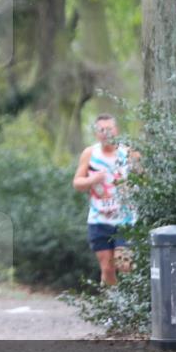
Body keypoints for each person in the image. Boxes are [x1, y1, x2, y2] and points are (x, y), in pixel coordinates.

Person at [72, 114, 137, 286]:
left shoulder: (128, 153)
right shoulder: (90, 154)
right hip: (99, 220)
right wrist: (92, 180)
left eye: (109, 129)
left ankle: (130, 299)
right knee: (107, 268)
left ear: (116, 131)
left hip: (125, 220)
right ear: (96, 133)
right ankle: (113, 301)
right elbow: (77, 183)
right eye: (102, 129)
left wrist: (132, 186)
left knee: (125, 265)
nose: (106, 133)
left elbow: (144, 178)